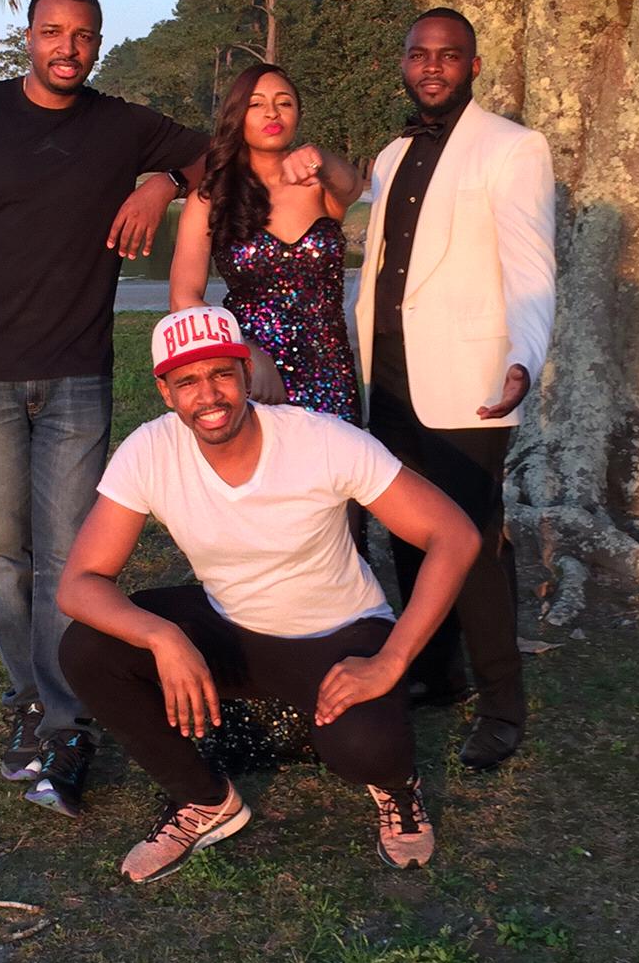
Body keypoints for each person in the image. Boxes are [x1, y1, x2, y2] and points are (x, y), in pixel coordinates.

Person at [0, 0, 206, 816]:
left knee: (71, 559)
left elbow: (218, 155)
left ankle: (65, 722)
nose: (68, 48)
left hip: (76, 374)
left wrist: (162, 182)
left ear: (98, 43)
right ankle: (29, 696)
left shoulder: (121, 125)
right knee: (5, 554)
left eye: (84, 35)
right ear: (28, 36)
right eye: (53, 32)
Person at [57, 306, 480, 884]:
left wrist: (391, 659)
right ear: (165, 392)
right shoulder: (150, 450)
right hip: (231, 626)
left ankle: (398, 787)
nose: (209, 395)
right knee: (88, 648)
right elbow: (80, 582)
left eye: (221, 374)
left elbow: (454, 535)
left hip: (336, 634)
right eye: (187, 381)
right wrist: (162, 637)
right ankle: (204, 800)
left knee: (367, 749)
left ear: (247, 372)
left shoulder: (321, 440)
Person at [355, 8, 555, 771]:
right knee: (410, 534)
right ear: (404, 64)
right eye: (419, 54)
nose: (432, 66)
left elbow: (532, 270)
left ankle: (504, 706)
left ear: (473, 65)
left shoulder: (512, 148)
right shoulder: (391, 153)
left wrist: (524, 358)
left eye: (448, 55)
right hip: (389, 376)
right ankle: (438, 673)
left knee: (471, 545)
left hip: (471, 382)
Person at [169, 63, 364, 420]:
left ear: (298, 114)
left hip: (331, 375)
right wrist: (243, 352)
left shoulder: (320, 185)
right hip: (255, 378)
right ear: (237, 116)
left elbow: (351, 185)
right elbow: (184, 299)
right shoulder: (210, 199)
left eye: (284, 103)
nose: (272, 112)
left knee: (339, 457)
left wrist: (319, 157)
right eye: (256, 104)